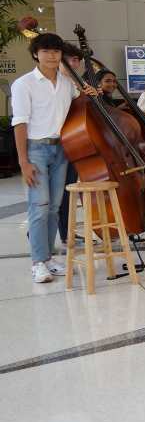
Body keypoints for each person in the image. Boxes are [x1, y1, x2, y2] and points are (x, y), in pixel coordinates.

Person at [14, 33, 96, 283]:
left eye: (56, 51)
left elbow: (78, 101)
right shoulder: (23, 84)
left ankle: (49, 258)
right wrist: (23, 162)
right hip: (35, 149)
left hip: (62, 149)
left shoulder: (66, 82)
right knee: (38, 208)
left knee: (53, 208)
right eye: (46, 51)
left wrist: (89, 92)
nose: (51, 56)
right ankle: (38, 262)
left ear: (61, 55)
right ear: (36, 54)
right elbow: (19, 123)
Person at [56, 43, 86, 249]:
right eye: (70, 59)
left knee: (69, 191)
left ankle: (67, 233)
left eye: (77, 60)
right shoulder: (58, 83)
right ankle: (47, 235)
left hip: (75, 143)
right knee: (55, 194)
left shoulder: (77, 83)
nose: (74, 63)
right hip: (57, 143)